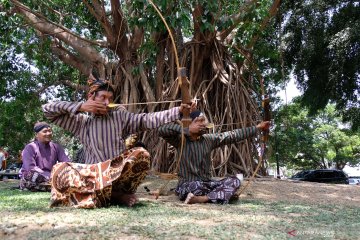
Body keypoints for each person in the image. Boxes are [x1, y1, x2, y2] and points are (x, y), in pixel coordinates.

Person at [42, 74, 193, 208]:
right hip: (93, 177)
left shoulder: (119, 117)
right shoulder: (80, 121)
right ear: (91, 96)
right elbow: (48, 110)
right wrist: (81, 107)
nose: (107, 102)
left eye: (110, 98)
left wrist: (178, 111)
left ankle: (107, 195)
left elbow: (146, 120)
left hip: (117, 175)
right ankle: (116, 196)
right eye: (103, 97)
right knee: (59, 169)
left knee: (141, 154)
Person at [158, 110, 271, 204]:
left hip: (207, 183)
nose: (203, 124)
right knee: (195, 186)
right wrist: (185, 130)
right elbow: (162, 129)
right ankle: (219, 196)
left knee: (235, 181)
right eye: (199, 121)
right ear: (188, 123)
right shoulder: (180, 140)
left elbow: (233, 135)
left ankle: (202, 199)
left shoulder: (209, 140)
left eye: (204, 121)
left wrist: (258, 127)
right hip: (188, 185)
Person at [19, 122, 70, 191]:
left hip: (51, 177)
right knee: (32, 175)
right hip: (34, 178)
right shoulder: (30, 147)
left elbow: (66, 162)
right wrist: (49, 176)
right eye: (45, 131)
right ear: (36, 135)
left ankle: (54, 185)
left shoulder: (56, 147)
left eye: (50, 131)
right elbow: (30, 168)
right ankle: (55, 185)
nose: (48, 133)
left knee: (69, 173)